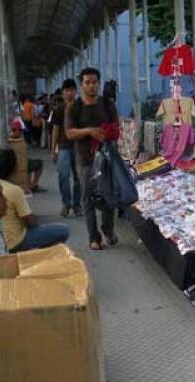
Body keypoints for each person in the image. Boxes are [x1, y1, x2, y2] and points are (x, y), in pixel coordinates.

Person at [65, 67, 119, 250]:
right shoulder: (74, 107)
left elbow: (117, 127)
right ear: (82, 85)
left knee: (108, 197)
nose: (91, 86)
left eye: (94, 82)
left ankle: (108, 229)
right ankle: (93, 237)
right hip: (85, 159)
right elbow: (70, 133)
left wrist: (108, 134)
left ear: (99, 83)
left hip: (106, 158)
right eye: (87, 82)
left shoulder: (107, 104)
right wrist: (89, 131)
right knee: (87, 198)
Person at [0, 149, 70, 252]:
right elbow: (30, 221)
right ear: (14, 168)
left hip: (0, 240)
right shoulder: (14, 190)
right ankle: (42, 256)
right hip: (15, 241)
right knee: (63, 230)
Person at [51, 79, 82, 217]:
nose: (69, 93)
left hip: (79, 147)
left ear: (76, 91)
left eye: (71, 90)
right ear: (63, 93)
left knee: (78, 177)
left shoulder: (81, 107)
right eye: (66, 91)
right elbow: (55, 130)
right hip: (63, 147)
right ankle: (66, 204)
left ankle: (77, 205)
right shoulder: (58, 109)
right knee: (63, 175)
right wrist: (53, 150)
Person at [8, 120, 46, 193]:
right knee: (39, 163)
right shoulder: (18, 141)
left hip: (17, 162)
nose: (22, 133)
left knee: (31, 163)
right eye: (21, 131)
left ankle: (31, 184)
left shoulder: (9, 139)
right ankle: (34, 184)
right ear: (16, 130)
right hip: (18, 163)